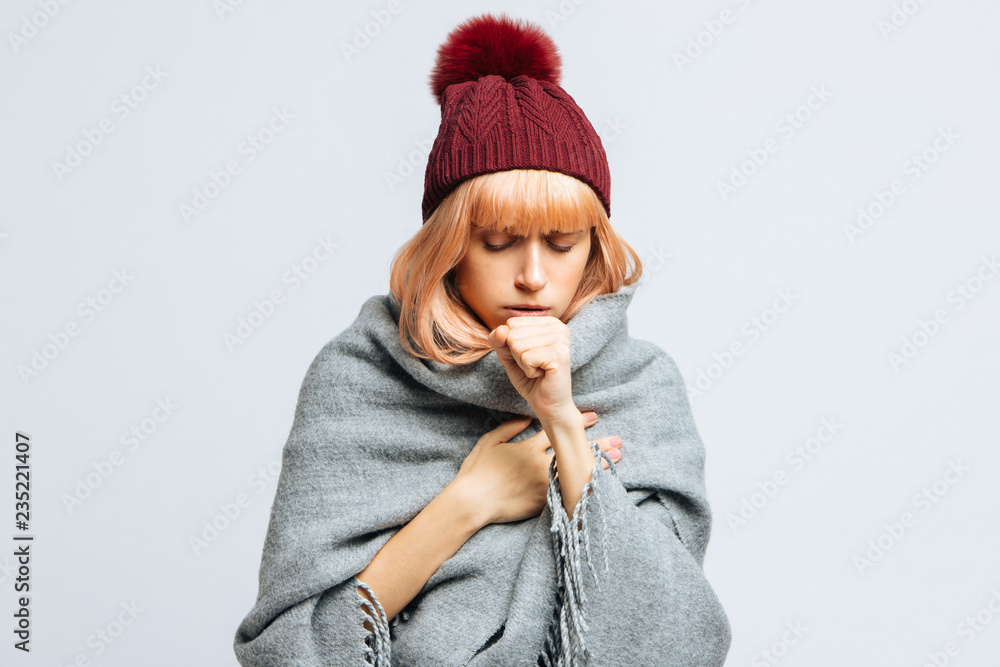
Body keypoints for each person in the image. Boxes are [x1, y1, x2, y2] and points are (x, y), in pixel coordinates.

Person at [234, 12, 731, 667]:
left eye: (562, 244)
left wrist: (561, 423)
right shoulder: (358, 376)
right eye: (497, 242)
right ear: (449, 248)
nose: (533, 276)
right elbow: (286, 649)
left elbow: (680, 640)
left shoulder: (642, 384)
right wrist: (470, 502)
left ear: (593, 249)